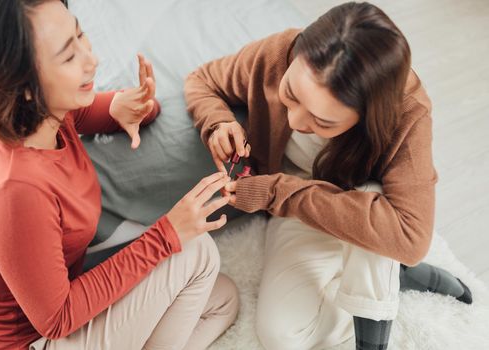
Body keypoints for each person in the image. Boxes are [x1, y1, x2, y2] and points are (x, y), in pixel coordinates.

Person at [185, 2, 471, 349]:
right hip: (304, 211)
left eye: (323, 122)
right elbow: (201, 80)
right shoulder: (277, 54)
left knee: (381, 229)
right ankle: (394, 277)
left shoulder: (407, 114)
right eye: (290, 95)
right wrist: (218, 123)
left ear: (367, 115)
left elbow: (411, 236)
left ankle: (375, 314)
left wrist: (275, 192)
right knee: (282, 337)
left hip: (358, 202)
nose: (295, 122)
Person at [0, 0, 239, 349]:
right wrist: (166, 235)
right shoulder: (14, 190)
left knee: (222, 298)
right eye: (68, 56)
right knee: (197, 253)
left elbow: (106, 111)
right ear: (23, 88)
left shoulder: (46, 115)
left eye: (79, 34)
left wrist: (135, 104)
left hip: (61, 299)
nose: (91, 59)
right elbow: (57, 318)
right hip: (31, 340)